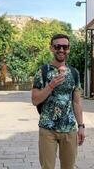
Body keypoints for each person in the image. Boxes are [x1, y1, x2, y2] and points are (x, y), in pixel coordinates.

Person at [31, 34, 85, 169]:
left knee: (69, 166)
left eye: (65, 47)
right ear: (51, 48)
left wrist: (81, 126)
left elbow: (77, 102)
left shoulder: (74, 73)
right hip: (47, 128)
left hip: (69, 128)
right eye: (57, 46)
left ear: (69, 49)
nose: (61, 49)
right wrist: (50, 86)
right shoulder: (42, 71)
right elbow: (35, 100)